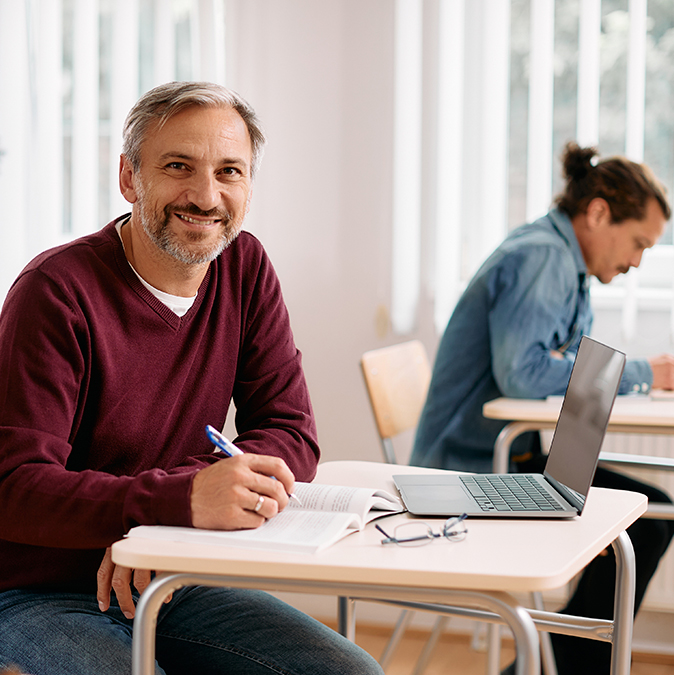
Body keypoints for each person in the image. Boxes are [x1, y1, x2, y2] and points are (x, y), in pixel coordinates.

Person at [0, 81, 383, 675]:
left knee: (350, 672)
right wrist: (176, 504)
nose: (206, 196)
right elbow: (14, 489)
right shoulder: (55, 292)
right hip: (39, 588)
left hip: (174, 569)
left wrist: (162, 528)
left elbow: (290, 432)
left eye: (229, 171)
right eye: (179, 166)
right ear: (130, 178)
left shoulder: (244, 267)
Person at [410, 142, 674, 675]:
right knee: (646, 521)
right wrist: (644, 373)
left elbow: (566, 359)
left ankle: (557, 663)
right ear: (598, 213)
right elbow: (526, 374)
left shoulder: (562, 261)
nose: (638, 261)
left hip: (509, 456)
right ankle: (562, 666)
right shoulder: (543, 258)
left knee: (644, 514)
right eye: (639, 243)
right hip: (470, 468)